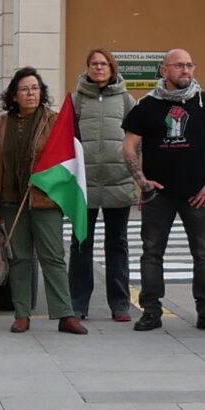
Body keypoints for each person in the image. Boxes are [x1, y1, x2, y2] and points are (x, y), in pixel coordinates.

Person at [122, 48, 205, 332]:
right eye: (179, 65)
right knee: (151, 253)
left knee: (204, 254)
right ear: (164, 70)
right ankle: (151, 312)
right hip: (159, 195)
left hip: (198, 193)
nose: (186, 70)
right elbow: (129, 146)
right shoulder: (146, 105)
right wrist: (142, 181)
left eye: (190, 65)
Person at [0, 68, 85, 335]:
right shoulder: (0, 126)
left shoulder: (54, 122)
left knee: (53, 256)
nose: (31, 94)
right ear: (14, 95)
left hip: (45, 200)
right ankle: (22, 314)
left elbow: (66, 160)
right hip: (10, 201)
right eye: (25, 89)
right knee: (20, 259)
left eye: (35, 89)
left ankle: (64, 314)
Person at [68, 48, 138, 322]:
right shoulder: (76, 101)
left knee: (117, 244)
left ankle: (120, 304)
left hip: (117, 181)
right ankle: (77, 304)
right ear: (87, 68)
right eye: (94, 64)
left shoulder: (125, 99)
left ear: (112, 68)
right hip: (83, 185)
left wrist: (137, 177)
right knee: (80, 243)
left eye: (104, 63)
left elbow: (136, 140)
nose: (99, 68)